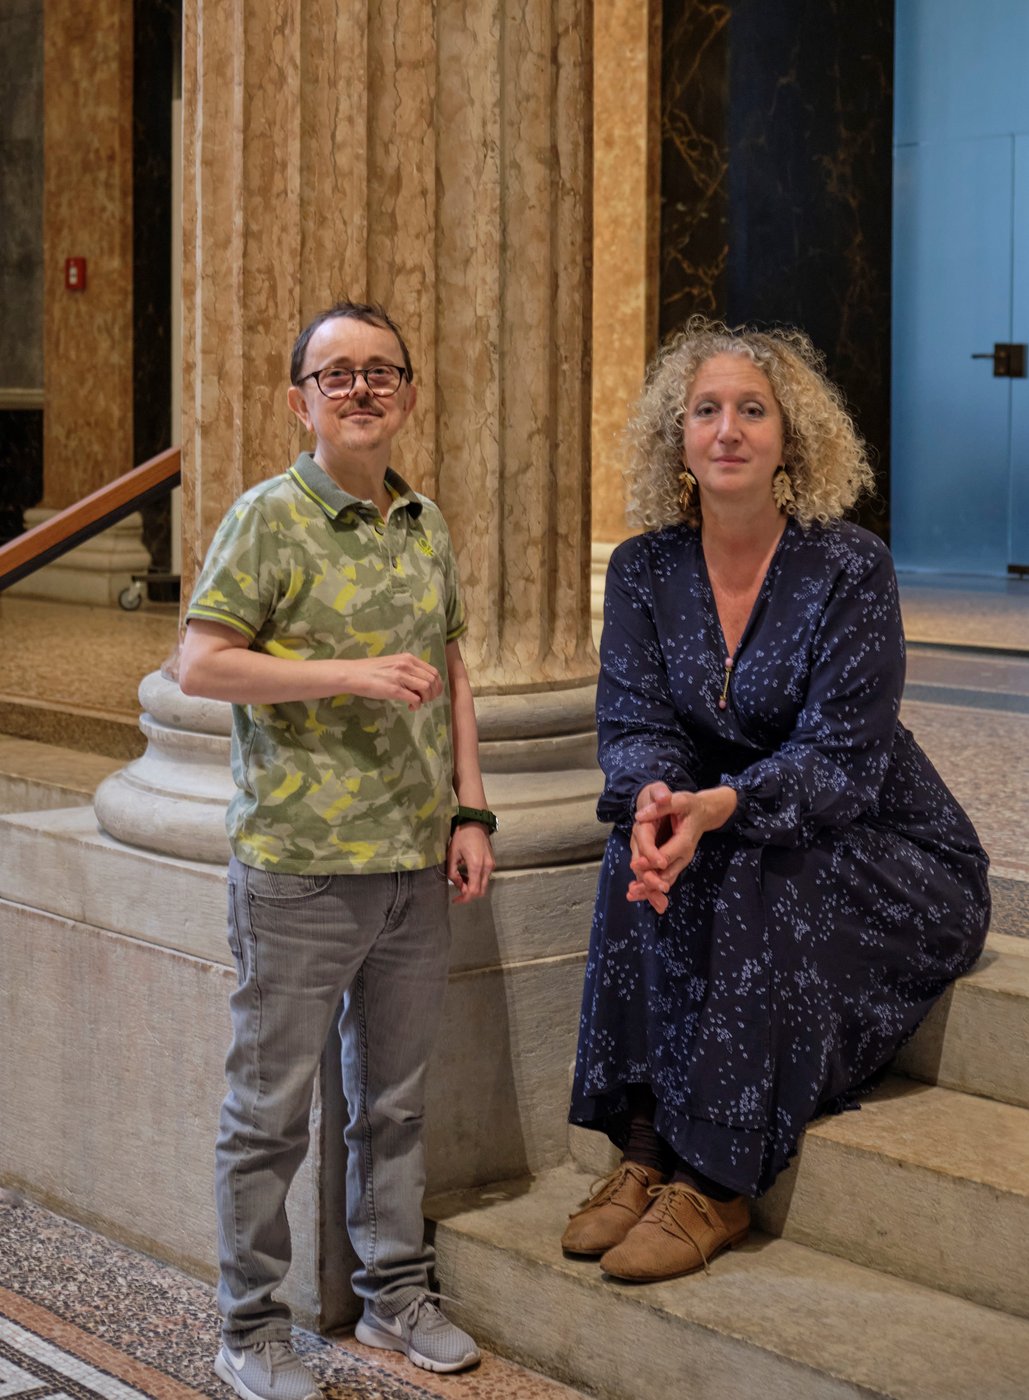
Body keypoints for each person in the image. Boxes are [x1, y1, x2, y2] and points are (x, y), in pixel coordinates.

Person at [563, 317, 990, 1283]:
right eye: (704, 411)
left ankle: (714, 1176)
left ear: (789, 436)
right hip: (729, 818)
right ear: (675, 438)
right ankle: (643, 1146)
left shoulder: (849, 567)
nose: (727, 430)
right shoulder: (643, 568)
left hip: (885, 841)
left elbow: (840, 759)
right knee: (629, 854)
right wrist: (657, 805)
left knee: (748, 862)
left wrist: (722, 807)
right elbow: (631, 722)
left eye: (751, 410)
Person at [179, 300, 497, 1400]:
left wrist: (472, 809)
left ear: (407, 393)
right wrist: (348, 672)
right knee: (268, 1114)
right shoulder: (269, 517)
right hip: (301, 866)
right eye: (336, 373)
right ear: (299, 400)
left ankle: (392, 1290)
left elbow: (453, 666)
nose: (361, 389)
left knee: (396, 1101)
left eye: (381, 371)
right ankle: (250, 1323)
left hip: (414, 864)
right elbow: (201, 667)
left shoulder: (425, 518)